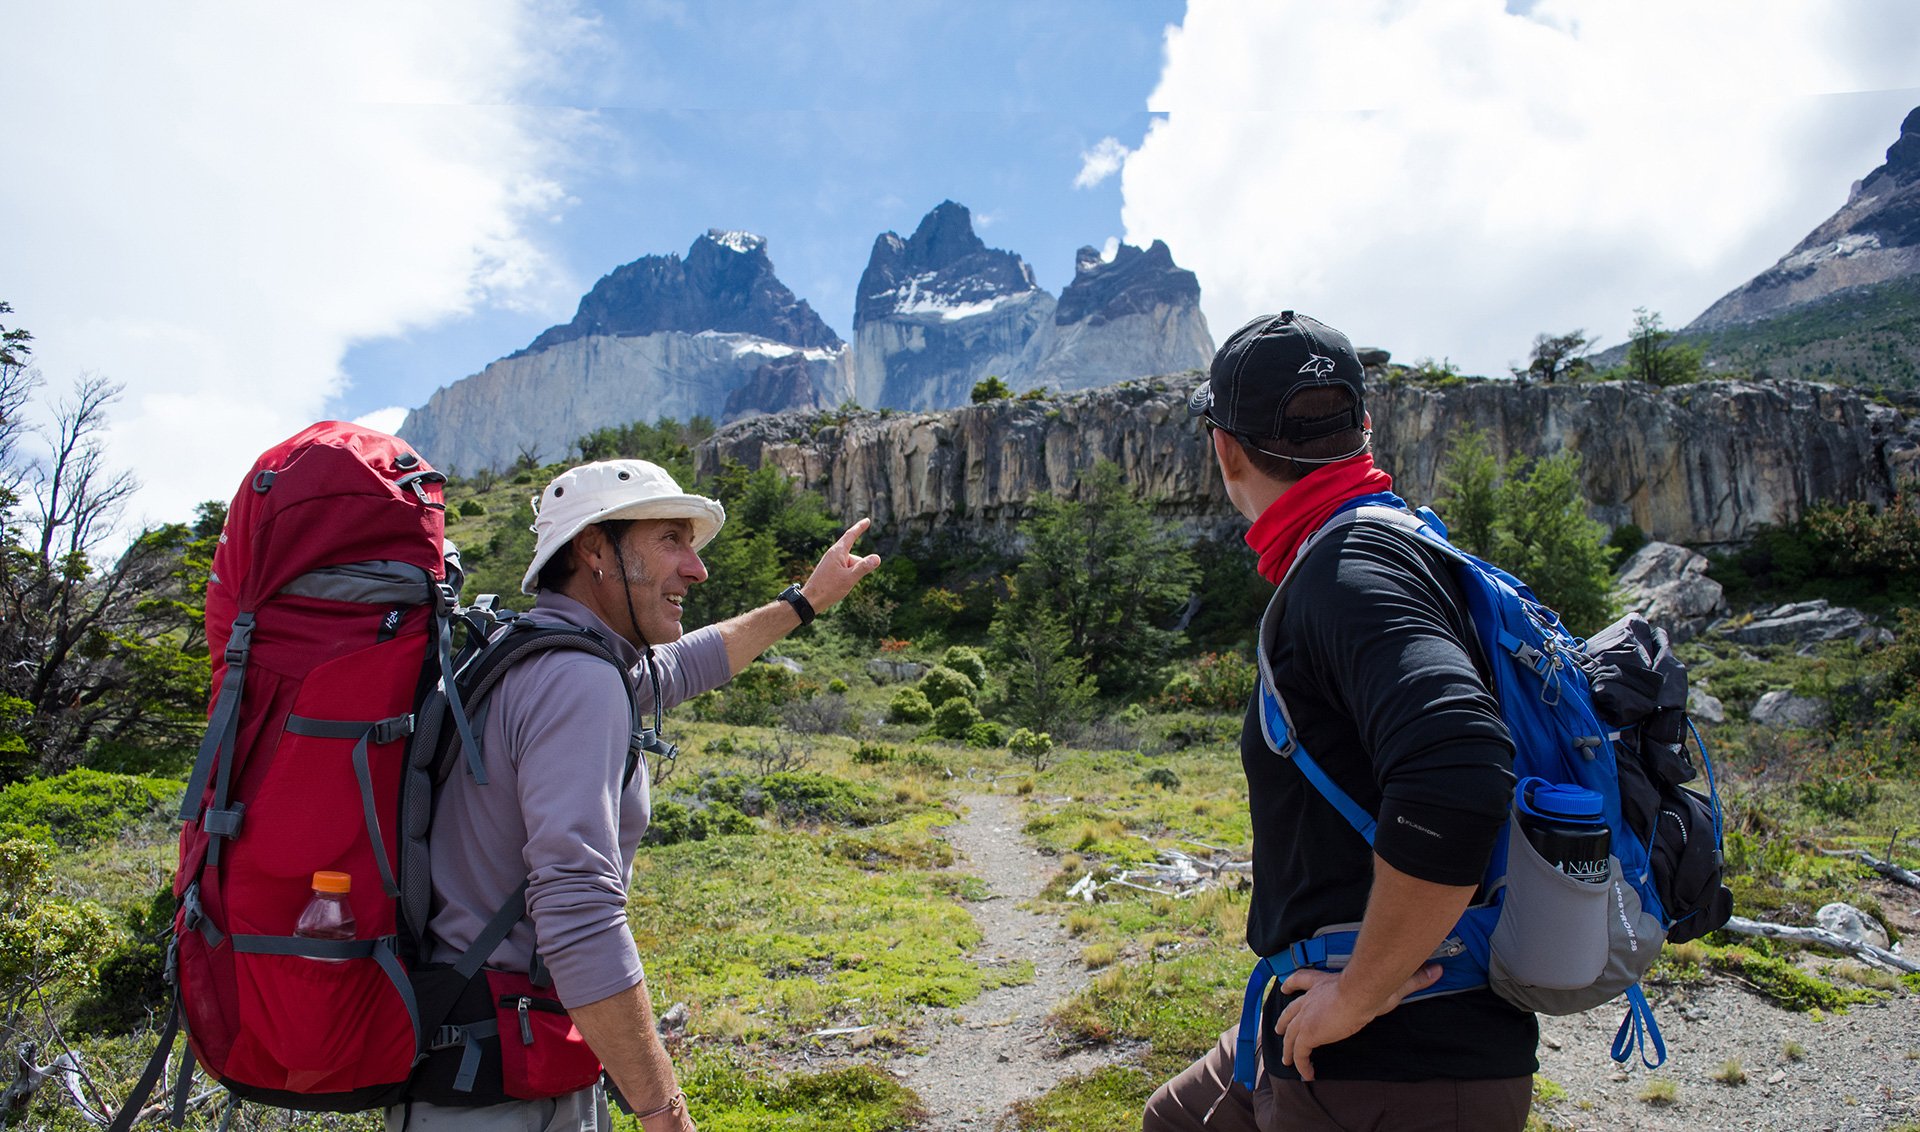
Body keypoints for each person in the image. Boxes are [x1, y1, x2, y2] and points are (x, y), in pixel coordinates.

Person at [390, 458, 881, 1132]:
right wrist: (663, 1111)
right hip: (504, 1089)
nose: (696, 568)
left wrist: (804, 603)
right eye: (671, 540)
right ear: (595, 547)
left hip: (473, 1062)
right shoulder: (577, 681)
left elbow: (688, 664)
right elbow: (579, 910)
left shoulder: (536, 653)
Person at [1143, 313, 1535, 1131]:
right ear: (1364, 428)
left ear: (1226, 449)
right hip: (1337, 1037)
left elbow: (1458, 766)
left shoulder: (1348, 571)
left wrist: (1361, 993)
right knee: (1178, 1120)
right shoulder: (1385, 549)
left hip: (1392, 1065)